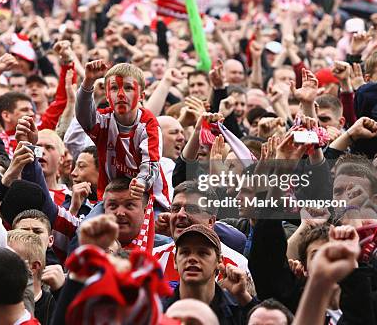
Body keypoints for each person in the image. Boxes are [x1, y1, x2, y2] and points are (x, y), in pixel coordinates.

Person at [76, 61, 169, 209]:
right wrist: (88, 82)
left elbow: (151, 164)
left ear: (141, 96)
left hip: (148, 199)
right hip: (110, 200)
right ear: (107, 96)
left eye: (128, 88)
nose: (120, 94)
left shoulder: (148, 124)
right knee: (85, 228)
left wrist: (141, 182)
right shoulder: (103, 121)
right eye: (114, 88)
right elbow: (83, 117)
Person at [162, 224, 256, 325]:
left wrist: (243, 297)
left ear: (219, 261)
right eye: (185, 252)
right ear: (175, 261)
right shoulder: (157, 308)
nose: (192, 258)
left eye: (202, 253)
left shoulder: (237, 309)